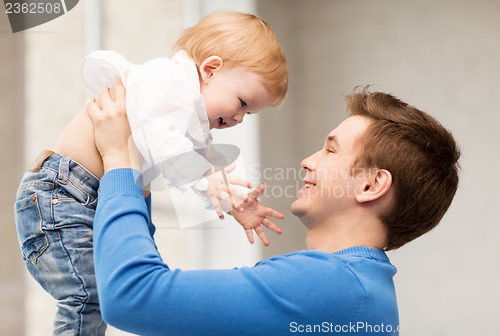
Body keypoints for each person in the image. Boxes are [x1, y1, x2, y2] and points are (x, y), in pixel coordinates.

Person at [87, 81, 460, 336]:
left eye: (330, 150)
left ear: (371, 185)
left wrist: (120, 159)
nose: (307, 161)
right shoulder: (357, 289)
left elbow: (130, 295)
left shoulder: (330, 286)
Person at [14, 11, 287, 336]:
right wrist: (205, 179)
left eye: (249, 113)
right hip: (62, 195)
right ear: (211, 69)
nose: (240, 118)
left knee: (104, 295)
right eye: (242, 103)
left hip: (85, 198)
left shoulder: (189, 114)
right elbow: (159, 141)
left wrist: (232, 200)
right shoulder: (167, 83)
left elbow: (196, 164)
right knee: (87, 296)